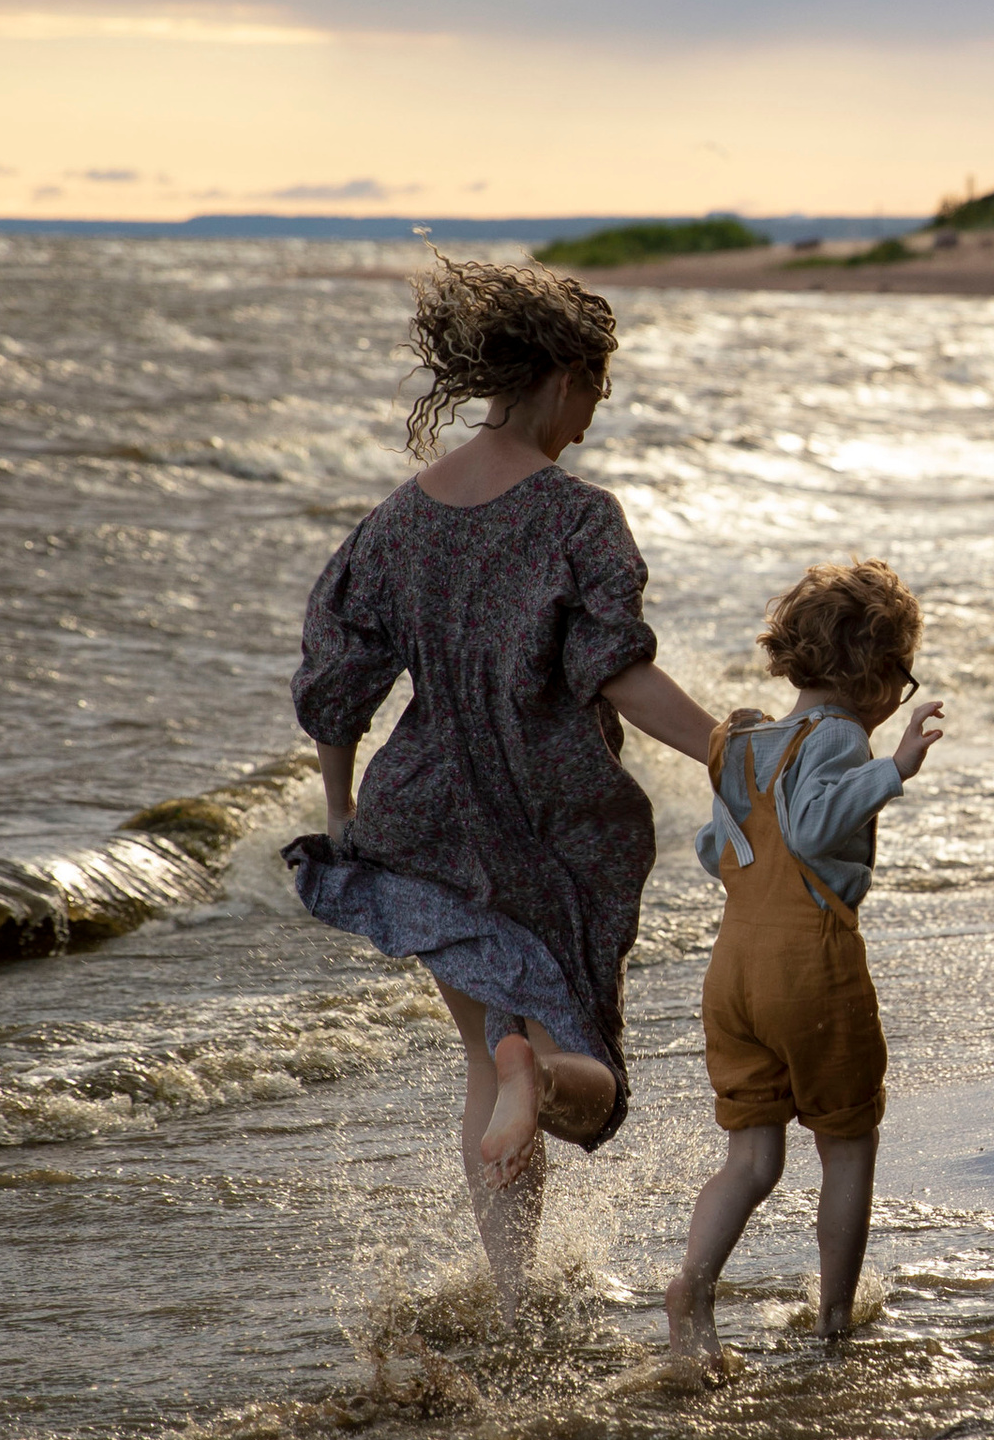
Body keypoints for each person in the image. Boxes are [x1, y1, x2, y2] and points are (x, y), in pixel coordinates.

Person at [285, 257, 717, 1324]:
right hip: (550, 818)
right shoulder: (577, 519)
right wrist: (727, 748)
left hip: (427, 813)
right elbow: (616, 669)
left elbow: (335, 683)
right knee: (580, 1067)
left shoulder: (396, 519)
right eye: (594, 395)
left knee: (486, 1059)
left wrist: (343, 810)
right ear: (565, 375)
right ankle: (544, 1080)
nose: (588, 423)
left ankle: (516, 1293)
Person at [662, 557, 944, 1378]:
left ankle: (694, 1292)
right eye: (902, 674)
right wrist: (893, 769)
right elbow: (818, 825)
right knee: (848, 1145)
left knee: (750, 1161)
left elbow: (718, 846)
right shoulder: (844, 737)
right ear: (875, 674)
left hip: (733, 966)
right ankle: (833, 1321)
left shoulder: (743, 740)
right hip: (809, 963)